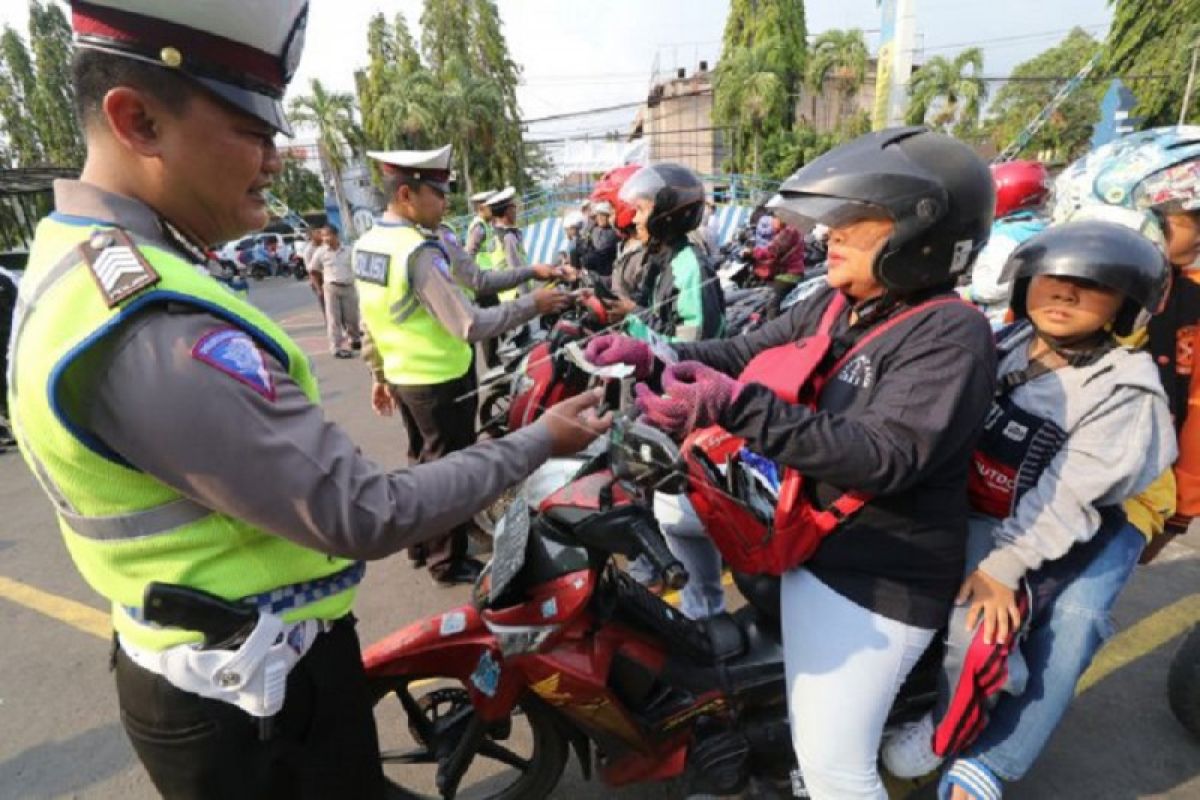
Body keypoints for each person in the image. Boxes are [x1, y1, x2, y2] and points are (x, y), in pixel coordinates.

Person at [5, 4, 609, 797]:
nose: (275, 160)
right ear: (139, 121)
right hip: (255, 698)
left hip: (233, 656)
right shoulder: (149, 320)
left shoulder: (87, 261)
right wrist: (539, 442)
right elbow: (363, 512)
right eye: (252, 134)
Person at [589, 127, 998, 798]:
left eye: (857, 220)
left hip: (876, 579)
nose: (832, 234)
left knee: (835, 771)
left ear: (921, 234)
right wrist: (655, 357)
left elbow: (885, 456)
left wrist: (735, 408)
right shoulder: (841, 303)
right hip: (804, 539)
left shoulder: (951, 333)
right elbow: (744, 353)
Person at [881, 221, 1176, 800]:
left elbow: (1069, 496)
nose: (1065, 294)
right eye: (1053, 279)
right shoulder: (1004, 344)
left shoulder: (1124, 390)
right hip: (1000, 500)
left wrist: (1003, 566)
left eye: (1091, 286)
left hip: (1102, 507)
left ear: (1127, 305)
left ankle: (984, 756)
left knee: (1069, 619)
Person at [353, 148, 574, 586]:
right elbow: (469, 323)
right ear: (406, 194)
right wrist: (535, 302)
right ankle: (446, 560)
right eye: (437, 194)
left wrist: (377, 373)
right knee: (450, 470)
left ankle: (421, 544)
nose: (446, 203)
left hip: (403, 375)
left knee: (420, 460)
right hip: (438, 379)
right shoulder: (417, 253)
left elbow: (372, 318)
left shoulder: (370, 244)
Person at [963, 160, 1050, 326]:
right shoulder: (1038, 227)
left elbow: (994, 286)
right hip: (1027, 314)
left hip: (998, 320)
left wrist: (968, 293)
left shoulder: (1003, 238)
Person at [313, 225, 361, 358]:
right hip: (331, 288)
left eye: (327, 235)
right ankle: (336, 347)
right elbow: (313, 270)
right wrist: (319, 288)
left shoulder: (349, 250)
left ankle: (355, 340)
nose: (325, 239)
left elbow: (358, 267)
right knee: (334, 319)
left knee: (352, 317)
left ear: (336, 235)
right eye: (323, 236)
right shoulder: (321, 252)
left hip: (348, 286)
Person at [751, 214, 807, 318]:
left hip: (789, 274)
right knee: (766, 301)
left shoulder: (789, 232)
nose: (772, 222)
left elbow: (772, 251)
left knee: (772, 305)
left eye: (775, 218)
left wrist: (752, 252)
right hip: (787, 272)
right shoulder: (787, 230)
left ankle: (773, 329)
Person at [0, 263, 18, 451]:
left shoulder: (4, 275)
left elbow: (21, 301)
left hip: (8, 342)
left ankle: (15, 421)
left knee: (10, 384)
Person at [579, 200, 619, 276]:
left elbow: (600, 245)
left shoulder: (612, 231)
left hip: (606, 271)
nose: (599, 218)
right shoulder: (595, 228)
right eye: (598, 215)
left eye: (603, 215)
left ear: (609, 216)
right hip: (596, 268)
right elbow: (584, 243)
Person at [300, 226, 326, 317]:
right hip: (318, 279)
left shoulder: (325, 245)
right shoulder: (308, 251)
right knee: (325, 305)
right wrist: (318, 288)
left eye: (320, 232)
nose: (320, 235)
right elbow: (311, 271)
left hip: (330, 278)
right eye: (317, 233)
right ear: (311, 236)